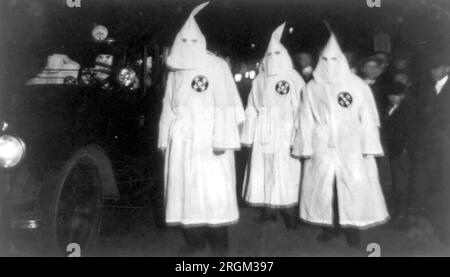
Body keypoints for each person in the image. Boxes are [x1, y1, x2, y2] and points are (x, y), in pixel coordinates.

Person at [157, 2, 245, 256]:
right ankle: (194, 241)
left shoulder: (216, 66)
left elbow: (227, 105)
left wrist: (222, 140)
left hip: (210, 139)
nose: (187, 45)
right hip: (182, 139)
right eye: (182, 40)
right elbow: (168, 106)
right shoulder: (175, 70)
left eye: (192, 40)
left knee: (213, 193)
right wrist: (164, 140)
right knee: (185, 191)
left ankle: (219, 245)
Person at [292, 33, 389, 247]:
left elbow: (369, 118)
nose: (330, 64)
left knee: (352, 187)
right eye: (325, 60)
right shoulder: (311, 88)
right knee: (325, 187)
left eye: (334, 60)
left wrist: (369, 146)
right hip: (322, 145)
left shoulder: (357, 85)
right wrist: (305, 146)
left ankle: (353, 232)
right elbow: (305, 119)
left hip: (351, 145)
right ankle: (329, 227)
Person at [241, 23, 304, 229]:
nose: (272, 59)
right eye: (269, 55)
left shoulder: (293, 77)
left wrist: (299, 137)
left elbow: (301, 108)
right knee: (264, 171)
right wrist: (248, 137)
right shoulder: (259, 79)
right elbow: (251, 108)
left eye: (277, 54)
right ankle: (269, 212)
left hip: (285, 131)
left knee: (286, 173)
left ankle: (291, 216)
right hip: (263, 131)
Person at [409, 50, 450, 245]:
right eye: (432, 69)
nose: (434, 72)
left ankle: (445, 232)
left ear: (447, 68)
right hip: (428, 149)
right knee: (429, 188)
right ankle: (429, 226)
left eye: (438, 68)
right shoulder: (426, 90)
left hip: (446, 147)